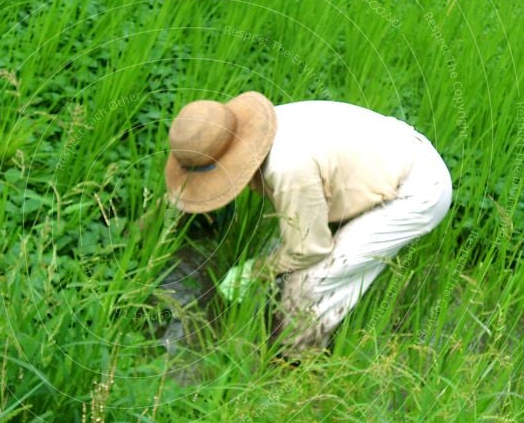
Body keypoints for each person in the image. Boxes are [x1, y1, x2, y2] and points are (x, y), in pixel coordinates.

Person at [164, 91, 452, 356]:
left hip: (415, 189)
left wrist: (255, 271)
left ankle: (295, 364)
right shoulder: (252, 130)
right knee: (287, 248)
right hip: (382, 154)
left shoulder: (288, 168)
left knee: (310, 283)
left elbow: (310, 250)